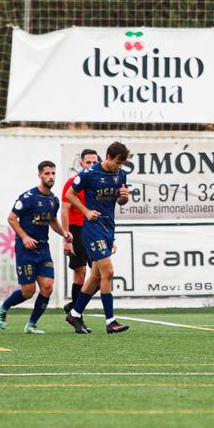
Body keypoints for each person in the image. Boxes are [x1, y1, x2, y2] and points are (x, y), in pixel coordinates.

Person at [0, 161, 72, 333]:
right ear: (40, 175)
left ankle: (31, 324)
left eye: (53, 173)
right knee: (28, 291)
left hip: (43, 249)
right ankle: (3, 307)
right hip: (26, 250)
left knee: (47, 287)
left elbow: (52, 221)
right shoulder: (28, 197)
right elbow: (11, 218)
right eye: (47, 173)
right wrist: (24, 237)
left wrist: (64, 233)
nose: (51, 177)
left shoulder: (54, 200)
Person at [63, 142, 131, 334]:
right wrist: (85, 211)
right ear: (108, 157)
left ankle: (75, 314)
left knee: (96, 276)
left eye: (122, 163)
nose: (120, 166)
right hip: (93, 229)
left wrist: (124, 197)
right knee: (108, 271)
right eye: (118, 162)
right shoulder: (89, 174)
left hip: (109, 228)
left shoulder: (120, 174)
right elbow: (70, 195)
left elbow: (120, 200)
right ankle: (111, 321)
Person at [61, 149, 100, 316]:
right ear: (81, 164)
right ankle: (77, 317)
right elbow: (64, 211)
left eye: (94, 163)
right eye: (88, 163)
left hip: (94, 231)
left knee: (100, 274)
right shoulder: (72, 182)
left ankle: (75, 306)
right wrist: (66, 237)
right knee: (81, 272)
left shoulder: (100, 183)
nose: (91, 165)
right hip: (76, 230)